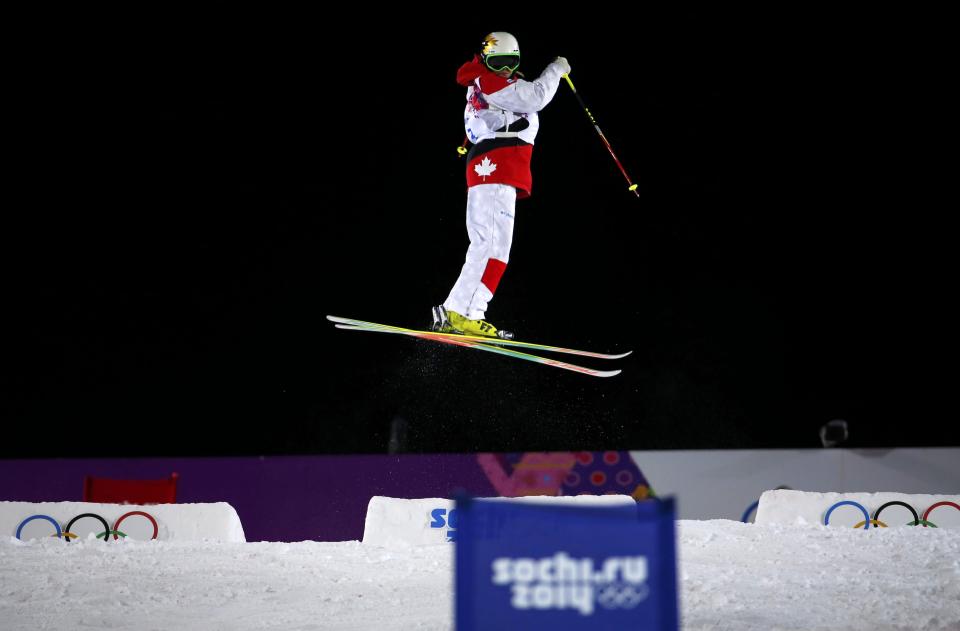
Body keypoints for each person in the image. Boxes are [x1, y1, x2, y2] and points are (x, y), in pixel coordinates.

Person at [431, 32, 570, 340]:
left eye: (511, 62)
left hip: (496, 168)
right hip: (496, 166)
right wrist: (556, 70)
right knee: (490, 245)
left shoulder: (490, 83)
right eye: (499, 62)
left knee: (493, 248)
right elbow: (535, 96)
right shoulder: (489, 81)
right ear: (486, 61)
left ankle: (461, 311)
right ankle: (464, 312)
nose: (506, 69)